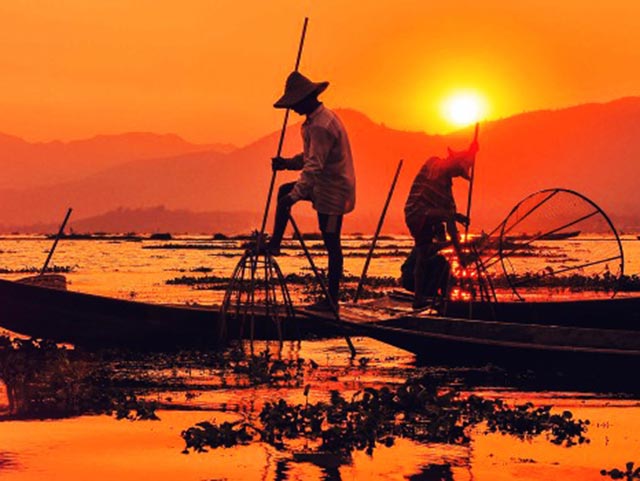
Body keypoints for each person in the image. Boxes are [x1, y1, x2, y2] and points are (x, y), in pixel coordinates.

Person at [268, 71, 356, 311]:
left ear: (306, 99)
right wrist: (286, 163)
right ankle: (275, 243)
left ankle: (331, 300)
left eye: (295, 103)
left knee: (331, 242)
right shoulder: (314, 122)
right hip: (322, 185)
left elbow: (314, 167)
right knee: (284, 191)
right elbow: (310, 158)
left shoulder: (321, 126)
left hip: (333, 192)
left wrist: (295, 196)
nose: (294, 109)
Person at [404, 141, 478, 309]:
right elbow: (440, 169)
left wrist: (458, 217)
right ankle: (461, 256)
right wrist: (469, 151)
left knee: (423, 256)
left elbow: (450, 211)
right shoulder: (435, 164)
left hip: (427, 218)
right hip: (416, 212)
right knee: (424, 253)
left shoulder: (446, 190)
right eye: (458, 170)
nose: (456, 175)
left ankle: (419, 299)